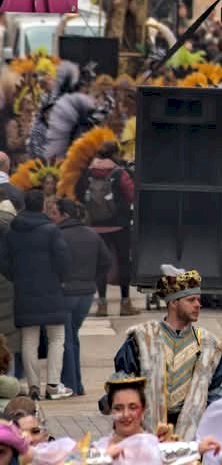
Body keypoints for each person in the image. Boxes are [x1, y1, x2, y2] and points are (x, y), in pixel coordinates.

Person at [109, 265, 222, 439]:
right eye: (191, 300)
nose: (198, 305)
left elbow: (213, 391)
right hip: (145, 435)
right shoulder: (143, 339)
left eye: (198, 299)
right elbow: (125, 381)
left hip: (191, 436)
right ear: (173, 302)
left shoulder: (208, 344)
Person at [0, 189, 72, 400]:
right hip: (51, 291)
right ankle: (52, 384)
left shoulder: (12, 231)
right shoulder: (51, 230)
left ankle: (33, 386)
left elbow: (3, 262)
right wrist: (60, 278)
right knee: (56, 338)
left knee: (29, 339)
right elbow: (63, 260)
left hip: (23, 291)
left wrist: (17, 278)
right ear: (42, 206)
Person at [49, 197, 109, 395]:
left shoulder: (57, 235)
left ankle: (70, 384)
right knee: (72, 335)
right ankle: (77, 384)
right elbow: (106, 262)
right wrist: (93, 279)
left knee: (66, 339)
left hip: (65, 292)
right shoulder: (92, 235)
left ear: (64, 215)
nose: (52, 217)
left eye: (54, 213)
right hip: (86, 293)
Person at [94, 373, 219, 463]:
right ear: (111, 410)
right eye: (118, 408)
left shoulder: (152, 445)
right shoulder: (100, 447)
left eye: (133, 407)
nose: (126, 414)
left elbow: (161, 452)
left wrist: (198, 447)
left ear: (143, 410)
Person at [77, 140, 136, 317]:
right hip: (119, 225)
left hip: (95, 227)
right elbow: (131, 195)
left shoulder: (88, 172)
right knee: (123, 261)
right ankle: (125, 304)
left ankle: (102, 304)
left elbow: (79, 193)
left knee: (100, 265)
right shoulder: (119, 173)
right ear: (115, 154)